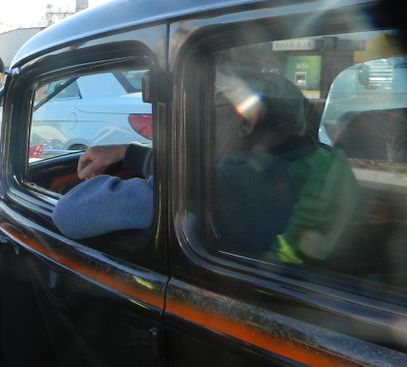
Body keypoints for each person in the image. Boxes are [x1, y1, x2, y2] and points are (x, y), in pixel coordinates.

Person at [53, 71, 358, 264]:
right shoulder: (321, 162)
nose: (204, 124)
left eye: (213, 110)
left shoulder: (238, 180)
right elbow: (195, 176)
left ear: (246, 122)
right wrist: (130, 153)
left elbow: (70, 214)